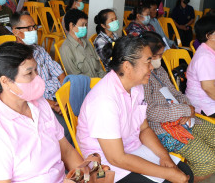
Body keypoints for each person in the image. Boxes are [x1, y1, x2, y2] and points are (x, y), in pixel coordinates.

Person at [77, 36, 193, 183]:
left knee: (185, 173)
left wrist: (165, 157)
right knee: (172, 179)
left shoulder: (136, 87)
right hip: (107, 164)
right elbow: (116, 158)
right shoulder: (104, 100)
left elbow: (144, 129)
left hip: (132, 148)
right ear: (127, 67)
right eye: (148, 61)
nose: (152, 67)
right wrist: (167, 173)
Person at [0, 42, 85, 182]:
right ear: (6, 81)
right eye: (29, 73)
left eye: (36, 71)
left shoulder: (40, 104)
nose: (37, 78)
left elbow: (67, 151)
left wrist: (86, 176)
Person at [142, 31, 215, 182]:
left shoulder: (158, 70)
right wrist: (185, 110)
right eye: (158, 55)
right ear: (147, 55)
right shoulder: (142, 77)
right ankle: (183, 179)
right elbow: (150, 112)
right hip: (163, 129)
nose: (160, 59)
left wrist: (189, 107)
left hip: (183, 118)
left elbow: (175, 92)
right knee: (208, 161)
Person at [10, 12, 71, 141]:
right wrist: (52, 104)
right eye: (29, 28)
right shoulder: (13, 59)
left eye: (34, 27)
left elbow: (59, 73)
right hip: (39, 104)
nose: (33, 31)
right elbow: (21, 94)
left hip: (59, 97)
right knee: (65, 130)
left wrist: (64, 97)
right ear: (15, 31)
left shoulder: (39, 50)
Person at [61, 9, 106, 78]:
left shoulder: (87, 42)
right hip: (87, 86)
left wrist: (104, 80)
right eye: (82, 25)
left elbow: (99, 69)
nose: (85, 28)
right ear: (71, 26)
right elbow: (77, 79)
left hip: (99, 82)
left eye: (86, 25)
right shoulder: (66, 49)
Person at [186, 15, 215, 118]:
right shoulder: (204, 57)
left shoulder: (210, 52)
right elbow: (208, 88)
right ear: (209, 36)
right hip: (205, 106)